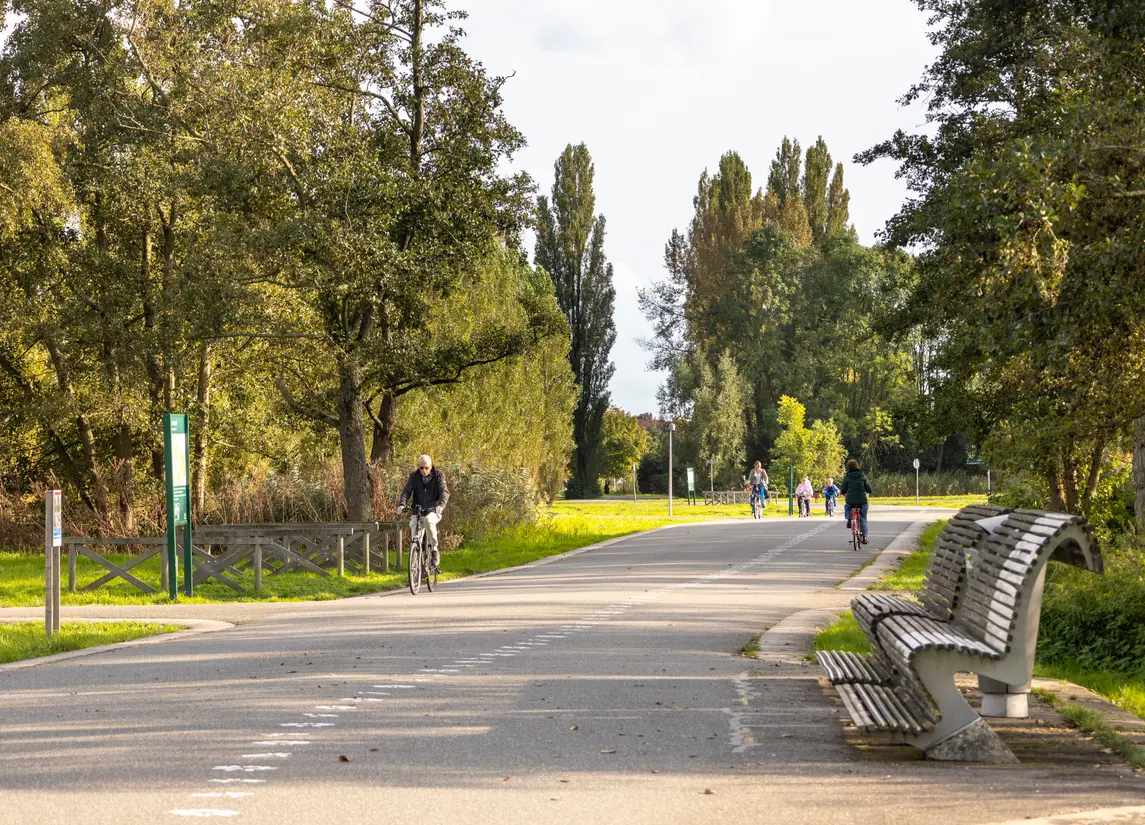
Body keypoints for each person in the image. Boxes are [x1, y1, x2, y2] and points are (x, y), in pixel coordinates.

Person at [397, 455, 450, 569]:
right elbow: (406, 491)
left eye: (426, 467)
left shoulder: (438, 476)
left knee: (428, 520)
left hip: (433, 510)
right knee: (414, 529)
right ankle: (416, 564)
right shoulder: (414, 477)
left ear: (431, 466)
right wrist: (402, 504)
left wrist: (441, 505)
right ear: (418, 467)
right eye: (421, 468)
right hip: (418, 510)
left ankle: (434, 550)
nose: (424, 470)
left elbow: (444, 492)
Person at [839, 459, 872, 543]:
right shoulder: (862, 475)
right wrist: (868, 491)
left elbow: (843, 489)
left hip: (850, 500)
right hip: (862, 500)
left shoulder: (847, 476)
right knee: (863, 518)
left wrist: (843, 492)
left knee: (847, 506)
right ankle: (864, 537)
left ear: (848, 467)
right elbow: (868, 487)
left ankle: (849, 519)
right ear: (857, 466)